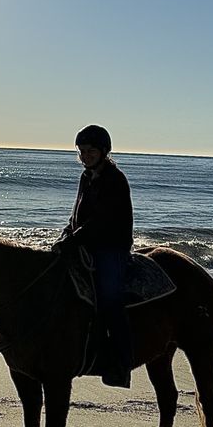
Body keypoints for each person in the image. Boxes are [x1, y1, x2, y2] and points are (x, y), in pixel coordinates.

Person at [52, 124, 134, 388]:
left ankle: (121, 364)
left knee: (109, 298)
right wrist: (66, 235)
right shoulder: (86, 178)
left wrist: (75, 239)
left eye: (90, 151)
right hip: (86, 243)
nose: (85, 156)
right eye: (81, 152)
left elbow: (102, 221)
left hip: (111, 247)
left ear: (103, 151)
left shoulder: (115, 179)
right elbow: (77, 216)